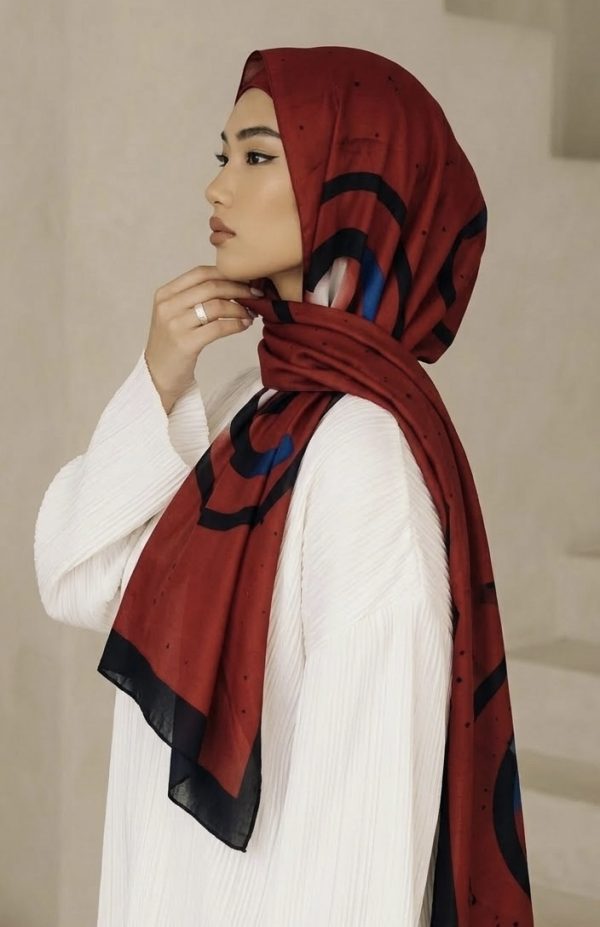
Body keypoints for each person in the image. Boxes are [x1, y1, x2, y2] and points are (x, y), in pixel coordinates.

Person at [34, 46, 533, 926]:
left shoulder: (365, 459)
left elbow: (367, 843)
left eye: (258, 156)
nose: (217, 187)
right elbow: (77, 575)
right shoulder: (254, 408)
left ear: (357, 190)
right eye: (222, 154)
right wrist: (160, 378)